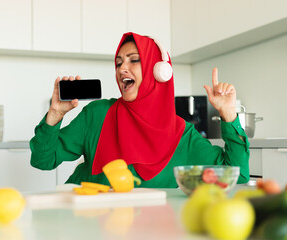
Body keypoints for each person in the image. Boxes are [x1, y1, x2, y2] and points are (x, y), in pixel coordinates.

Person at [30, 32, 250, 187]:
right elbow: (43, 160)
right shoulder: (97, 114)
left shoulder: (183, 137)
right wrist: (55, 114)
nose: (122, 68)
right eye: (118, 63)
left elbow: (236, 176)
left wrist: (229, 114)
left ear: (159, 71)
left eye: (134, 60)